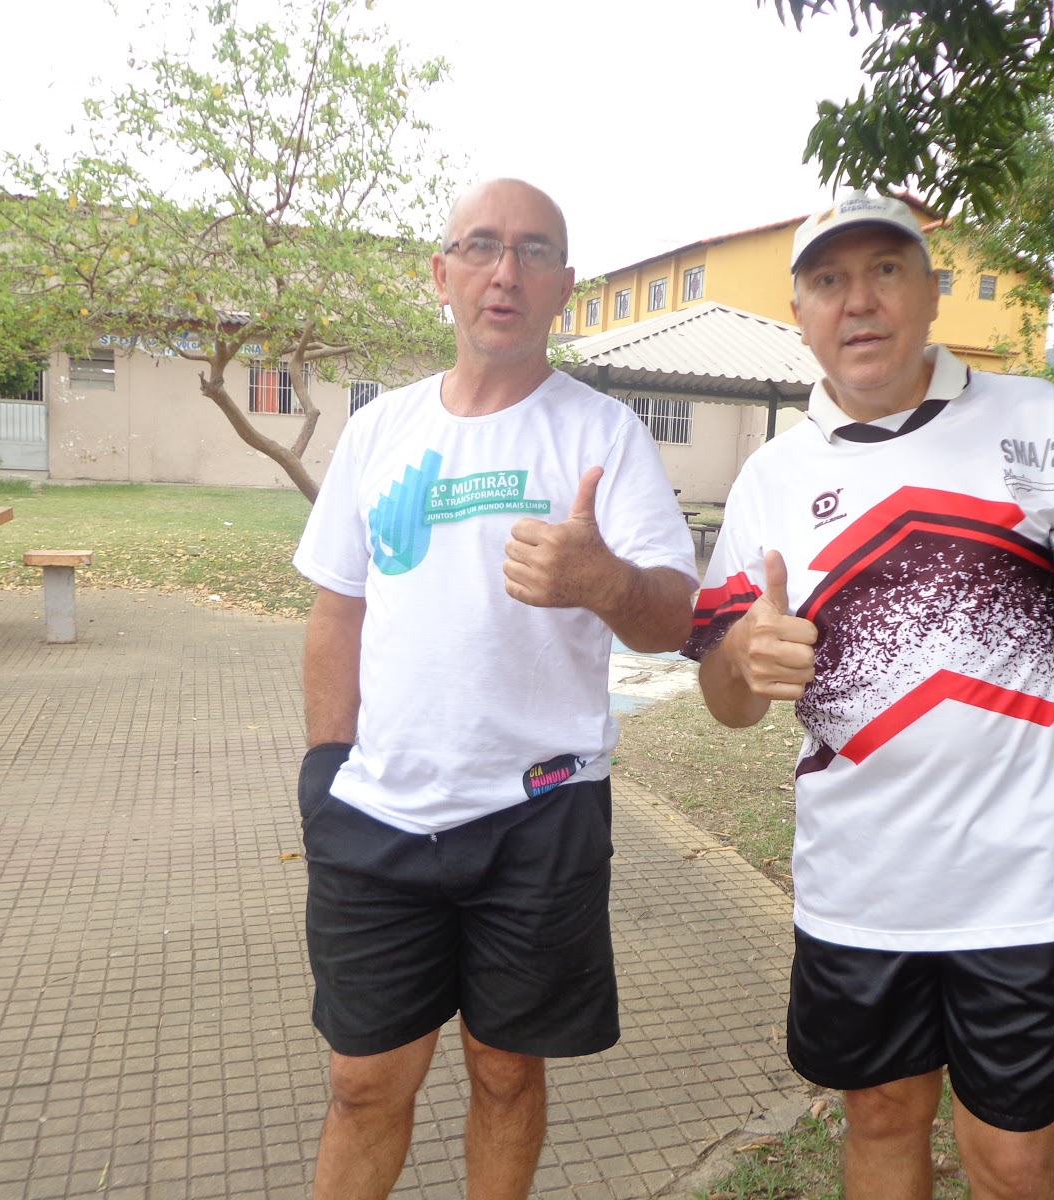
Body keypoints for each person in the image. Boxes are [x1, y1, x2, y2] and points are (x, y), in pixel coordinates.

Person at [684, 192, 1054, 1200]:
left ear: (932, 292)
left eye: (885, 271)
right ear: (799, 314)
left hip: (1027, 882)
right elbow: (728, 700)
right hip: (858, 890)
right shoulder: (770, 478)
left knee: (1011, 1159)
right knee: (882, 1121)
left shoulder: (1036, 421)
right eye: (829, 281)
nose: (859, 302)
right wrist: (744, 658)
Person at [292, 177, 698, 1200]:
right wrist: (325, 772)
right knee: (362, 1083)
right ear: (442, 274)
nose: (504, 272)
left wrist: (602, 580)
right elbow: (337, 612)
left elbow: (677, 618)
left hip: (540, 813)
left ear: (565, 285)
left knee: (506, 1073)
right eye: (480, 246)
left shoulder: (602, 435)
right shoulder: (380, 431)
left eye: (532, 251)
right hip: (377, 814)